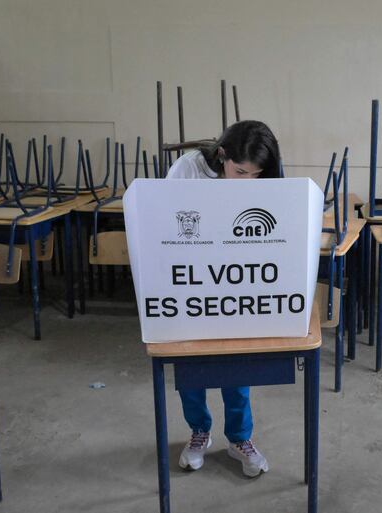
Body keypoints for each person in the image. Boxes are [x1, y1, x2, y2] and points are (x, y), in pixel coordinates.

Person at [166, 120, 281, 477]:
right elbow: (163, 221)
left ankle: (239, 438)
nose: (247, 181)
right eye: (240, 171)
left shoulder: (263, 180)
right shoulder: (188, 170)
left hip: (237, 281)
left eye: (256, 175)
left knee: (237, 360)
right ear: (221, 156)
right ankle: (199, 432)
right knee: (191, 361)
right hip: (192, 281)